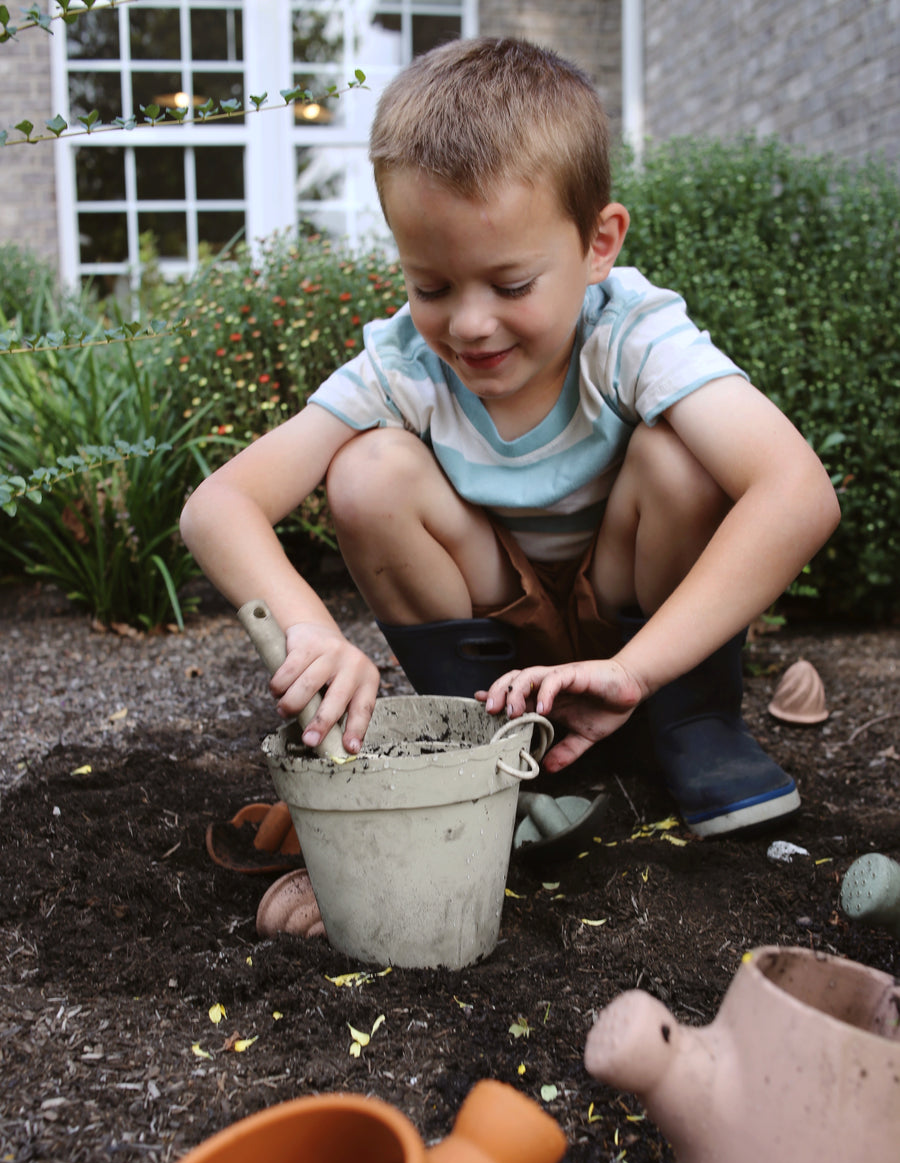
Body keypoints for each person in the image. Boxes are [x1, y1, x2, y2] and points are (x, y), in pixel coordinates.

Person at [181, 36, 840, 839]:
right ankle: (496, 746)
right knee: (368, 474)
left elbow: (798, 492)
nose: (468, 323)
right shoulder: (407, 365)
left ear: (599, 244)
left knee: (681, 457)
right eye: (430, 285)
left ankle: (691, 723)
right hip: (501, 621)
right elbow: (219, 505)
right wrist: (309, 628)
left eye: (511, 283)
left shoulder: (631, 336)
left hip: (640, 615)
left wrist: (632, 668)